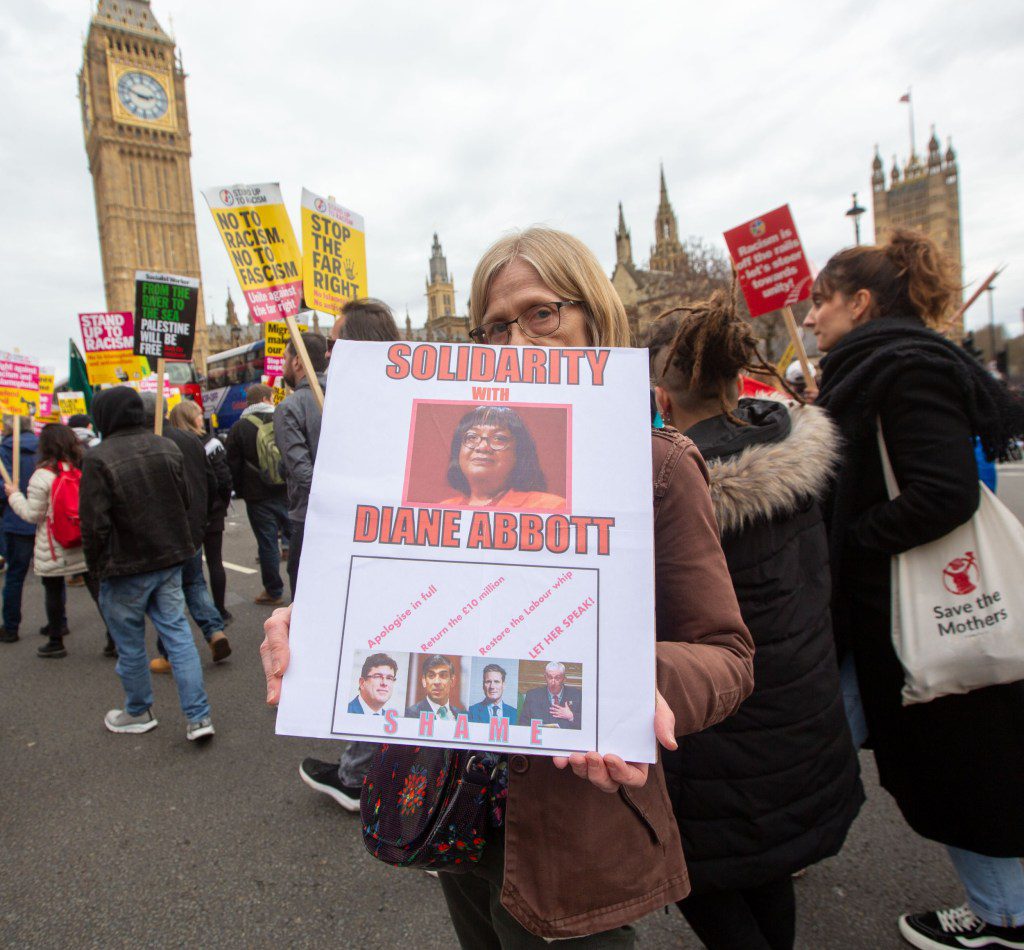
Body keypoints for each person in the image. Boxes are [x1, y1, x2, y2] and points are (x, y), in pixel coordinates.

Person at [263, 226, 755, 946]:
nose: (516, 343)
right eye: (495, 326)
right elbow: (398, 596)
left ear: (596, 319)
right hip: (453, 803)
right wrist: (310, 626)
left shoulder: (655, 467)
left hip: (570, 824)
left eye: (541, 314)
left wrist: (632, 683)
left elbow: (727, 654)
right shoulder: (447, 469)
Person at [806, 229, 1024, 950]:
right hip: (892, 614)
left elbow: (942, 492)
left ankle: (1006, 919)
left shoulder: (906, 369)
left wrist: (857, 539)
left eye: (820, 301)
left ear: (860, 301)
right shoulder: (878, 365)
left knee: (967, 769)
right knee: (947, 765)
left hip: (926, 611)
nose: (809, 318)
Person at [645, 291, 863, 950]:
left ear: (660, 401)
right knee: (766, 868)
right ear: (741, 378)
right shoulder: (799, 450)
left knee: (708, 882)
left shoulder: (664, 491)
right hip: (801, 716)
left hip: (715, 747)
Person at [298, 301, 407, 811]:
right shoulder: (357, 403)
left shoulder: (377, 408)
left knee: (383, 658)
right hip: (382, 562)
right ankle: (363, 770)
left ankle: (365, 778)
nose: (326, 352)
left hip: (390, 563)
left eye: (334, 342)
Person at [80, 387, 214, 741]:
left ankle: (138, 711)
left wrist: (95, 567)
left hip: (124, 565)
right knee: (178, 635)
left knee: (131, 644)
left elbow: (94, 523)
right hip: (169, 557)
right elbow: (184, 500)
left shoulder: (98, 458)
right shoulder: (166, 446)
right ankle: (199, 718)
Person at [4, 424, 113, 659]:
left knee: (52, 590)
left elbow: (33, 514)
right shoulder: (82, 469)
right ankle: (115, 637)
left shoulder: (42, 476)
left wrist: (14, 495)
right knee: (98, 591)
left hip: (54, 543)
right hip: (83, 538)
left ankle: (56, 640)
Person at [140, 393, 230, 671]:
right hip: (192, 528)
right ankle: (215, 631)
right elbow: (212, 481)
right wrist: (202, 516)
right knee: (194, 583)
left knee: (168, 592)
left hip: (164, 531)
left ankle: (168, 653)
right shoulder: (190, 439)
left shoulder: (147, 444)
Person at [226, 383, 291, 606]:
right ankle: (303, 590)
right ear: (266, 398)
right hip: (288, 490)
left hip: (257, 496)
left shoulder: (239, 428)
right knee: (297, 541)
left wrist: (241, 490)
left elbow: (232, 465)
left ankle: (273, 591)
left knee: (267, 543)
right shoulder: (283, 419)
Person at [274, 332, 328, 598]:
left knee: (304, 604)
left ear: (297, 362)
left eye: (285, 358)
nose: (283, 365)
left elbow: (302, 472)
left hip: (309, 518)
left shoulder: (289, 407)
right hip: (351, 517)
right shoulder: (347, 396)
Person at [170, 400, 233, 624]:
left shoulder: (171, 444)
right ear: (189, 418)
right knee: (214, 561)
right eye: (197, 415)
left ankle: (204, 612)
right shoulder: (210, 443)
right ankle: (220, 610)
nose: (201, 418)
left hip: (187, 513)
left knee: (193, 570)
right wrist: (221, 505)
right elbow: (223, 479)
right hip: (212, 511)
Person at [437, 406, 566, 510]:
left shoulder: (552, 507)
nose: (482, 447)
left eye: (499, 438)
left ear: (519, 453)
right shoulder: (443, 509)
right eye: (472, 437)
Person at [0, 417, 38, 643]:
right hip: (45, 518)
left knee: (15, 575)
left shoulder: (3, 451)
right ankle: (58, 624)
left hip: (16, 520)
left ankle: (11, 626)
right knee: (53, 576)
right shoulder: (44, 447)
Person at [519, 661, 583, 729]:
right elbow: (523, 723)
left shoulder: (577, 695)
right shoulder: (532, 696)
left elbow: (587, 725)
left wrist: (571, 716)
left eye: (557, 678)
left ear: (564, 679)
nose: (553, 682)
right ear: (545, 677)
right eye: (550, 677)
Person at [404, 654, 466, 719]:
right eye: (431, 675)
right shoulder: (409, 714)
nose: (437, 682)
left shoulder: (462, 715)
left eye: (443, 675)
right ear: (424, 681)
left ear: (452, 681)